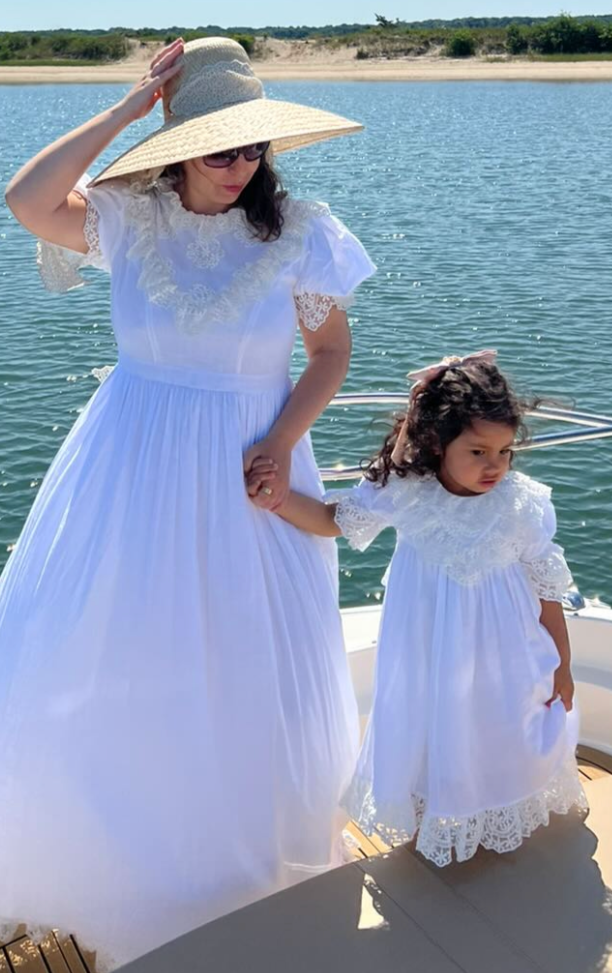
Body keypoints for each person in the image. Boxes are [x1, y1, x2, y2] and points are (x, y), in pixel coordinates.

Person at [0, 37, 376, 969]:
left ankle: (253, 851)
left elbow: (331, 355)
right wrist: (127, 110)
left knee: (251, 654)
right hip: (131, 465)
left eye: (251, 148)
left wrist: (281, 442)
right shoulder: (129, 221)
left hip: (255, 468)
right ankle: (139, 861)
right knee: (133, 645)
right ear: (177, 148)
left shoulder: (297, 231)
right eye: (219, 149)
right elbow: (26, 201)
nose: (239, 167)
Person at [247, 350, 586, 866]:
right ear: (436, 443)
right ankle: (438, 810)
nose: (494, 465)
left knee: (500, 722)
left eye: (504, 452)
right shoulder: (406, 490)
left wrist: (562, 662)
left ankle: (500, 803)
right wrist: (277, 501)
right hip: (428, 646)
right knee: (436, 724)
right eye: (477, 451)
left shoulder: (523, 504)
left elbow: (547, 588)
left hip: (507, 650)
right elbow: (334, 519)